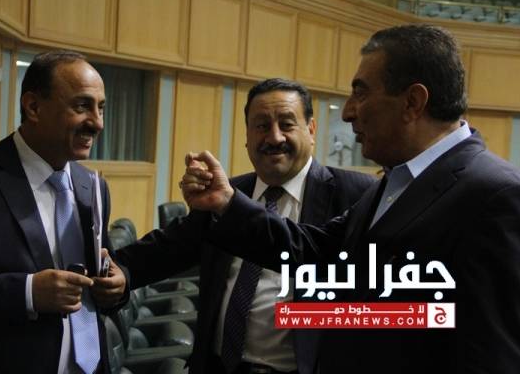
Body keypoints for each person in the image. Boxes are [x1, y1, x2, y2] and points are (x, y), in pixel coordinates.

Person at [180, 25, 520, 373]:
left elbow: (495, 358)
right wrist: (227, 202)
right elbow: (312, 250)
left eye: (361, 93)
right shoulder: (395, 181)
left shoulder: (498, 197)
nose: (348, 112)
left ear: (412, 102)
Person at [117, 78, 375, 374]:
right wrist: (118, 270)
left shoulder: (356, 193)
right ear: (247, 136)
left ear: (311, 130)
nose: (274, 137)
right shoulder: (228, 193)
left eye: (287, 124)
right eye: (262, 126)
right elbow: (172, 245)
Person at [0, 50, 129, 374]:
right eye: (82, 106)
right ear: (33, 107)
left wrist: (116, 286)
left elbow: (102, 272)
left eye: (101, 108)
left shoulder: (93, 186)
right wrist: (27, 292)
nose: (97, 123)